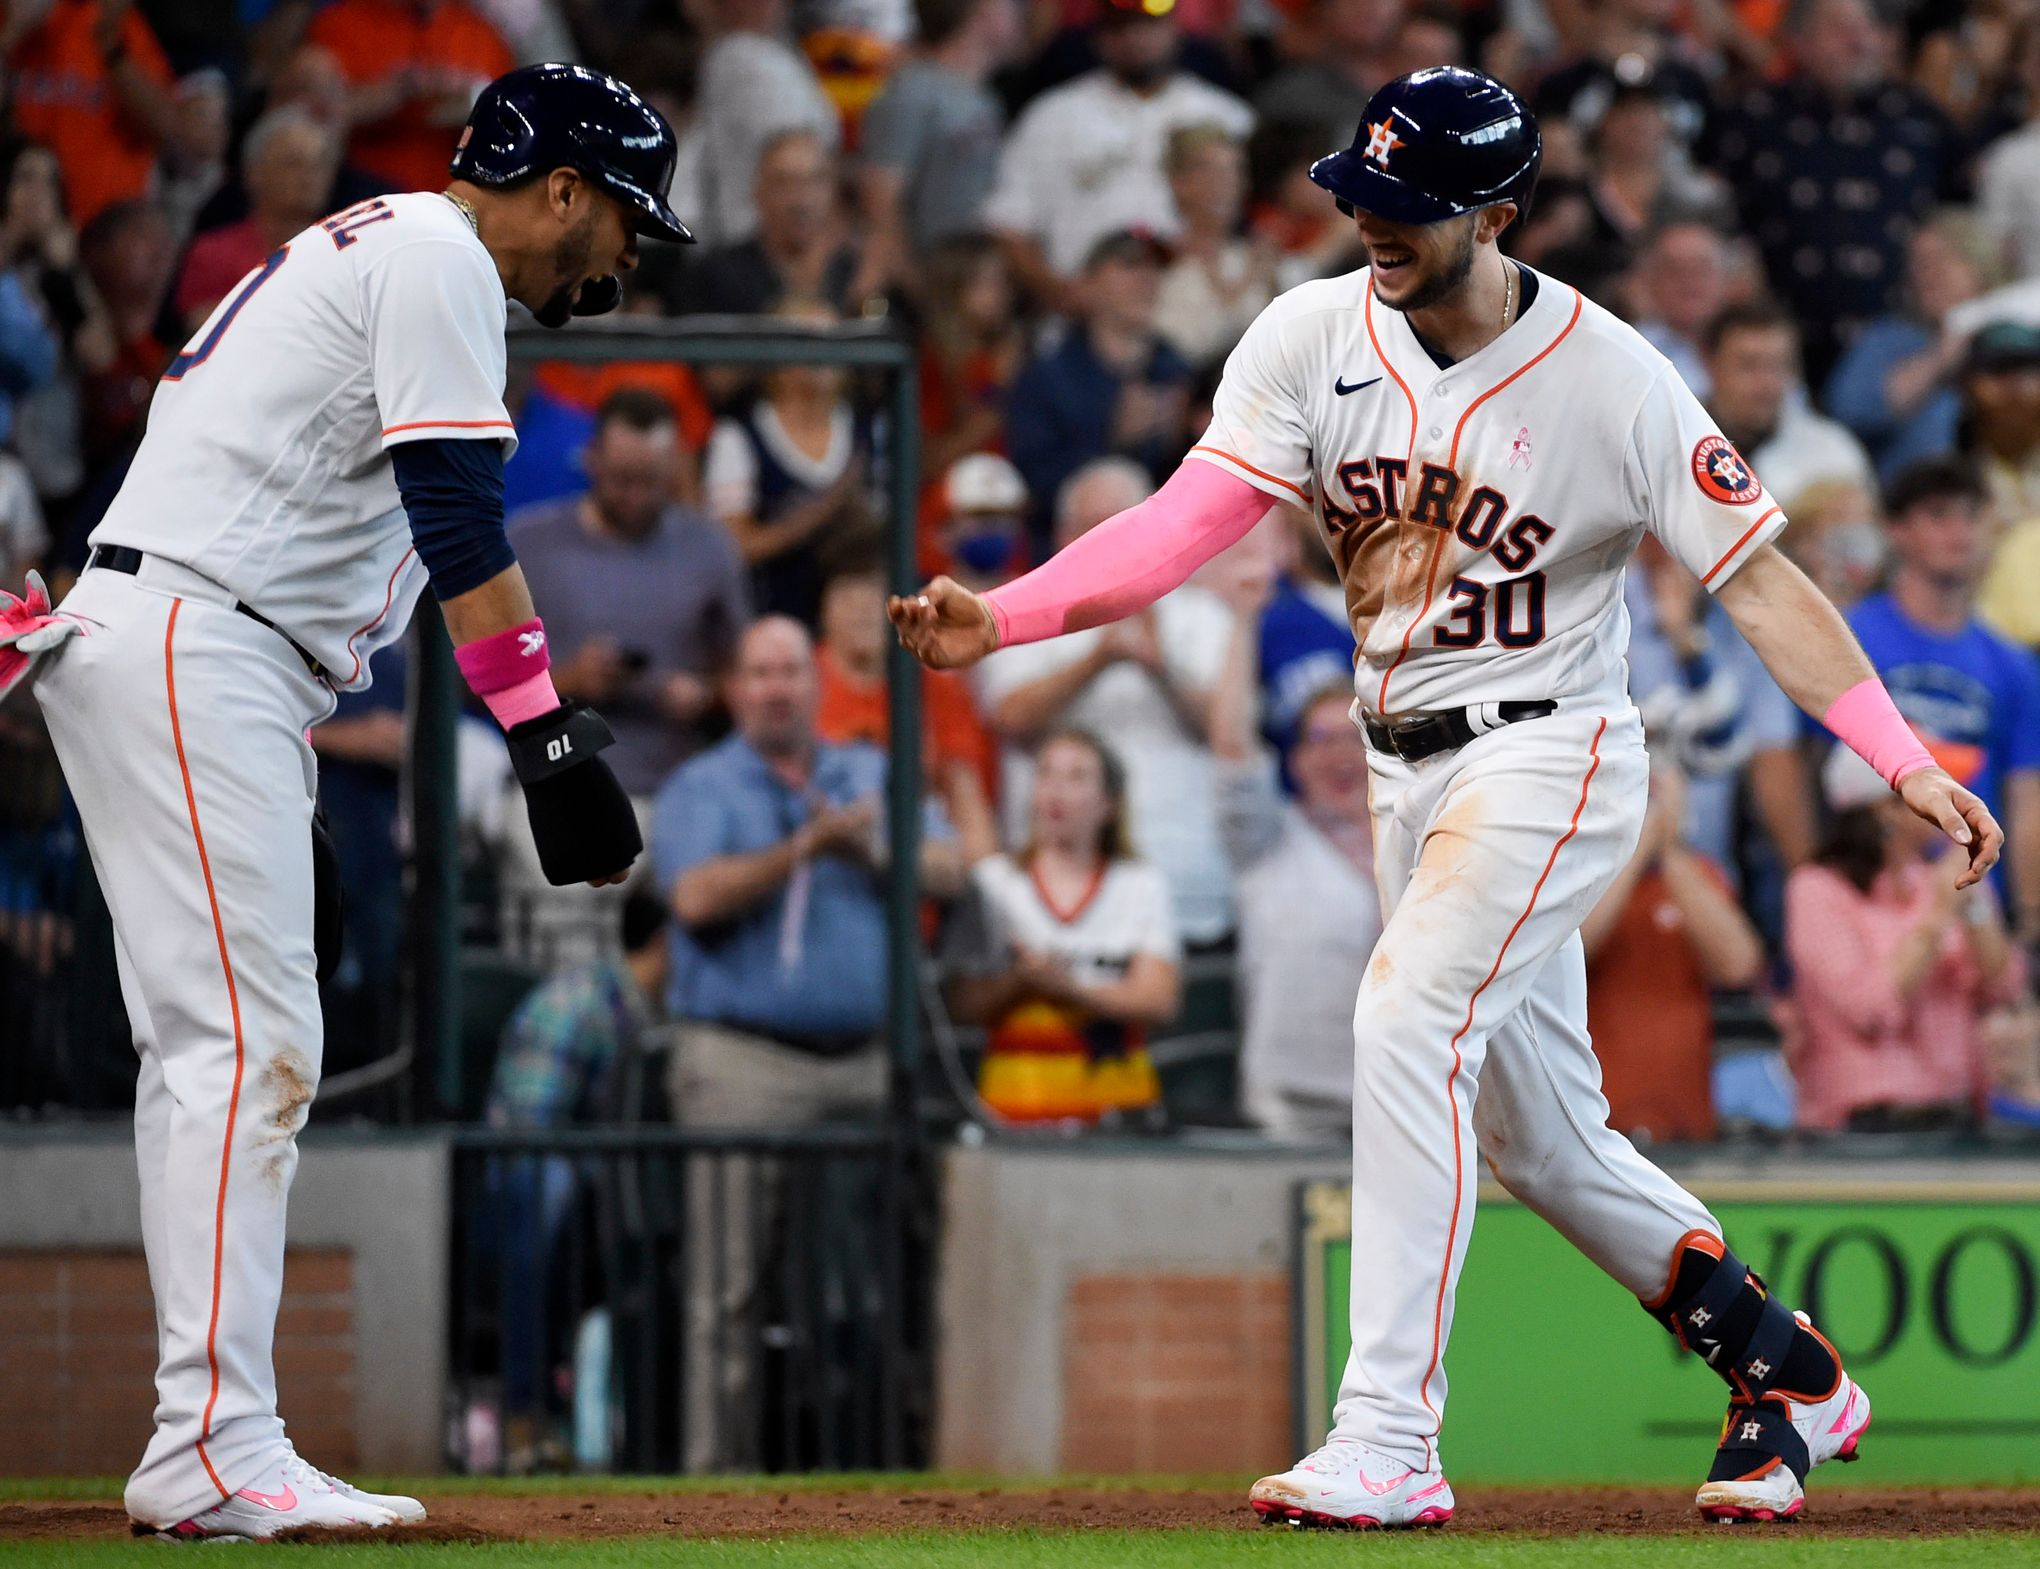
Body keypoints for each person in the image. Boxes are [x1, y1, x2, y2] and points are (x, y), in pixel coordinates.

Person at [889, 67, 2001, 1529]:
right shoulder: (1308, 331)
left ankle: (1388, 1437)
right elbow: (1189, 519)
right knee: (1538, 1140)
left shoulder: (1612, 376)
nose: (1374, 225)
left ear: (1499, 212)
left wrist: (1897, 757)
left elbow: (1761, 583)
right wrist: (1014, 616)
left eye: (1408, 208)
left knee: (1407, 1014)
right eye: (1363, 196)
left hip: (1553, 750)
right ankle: (1785, 1368)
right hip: (1403, 766)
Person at [16, 64, 693, 1540]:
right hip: (203, 640)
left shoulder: (388, 242)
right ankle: (211, 1441)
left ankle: (210, 1433)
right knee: (243, 1049)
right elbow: (459, 522)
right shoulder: (444, 255)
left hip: (204, 645)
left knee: (217, 1049)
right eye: (623, 219)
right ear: (562, 189)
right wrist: (549, 745)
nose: (624, 256)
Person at [650, 616, 962, 1469]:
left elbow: (950, 868)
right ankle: (717, 1485)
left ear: (817, 683)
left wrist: (865, 843)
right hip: (740, 1063)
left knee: (873, 1284)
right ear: (735, 689)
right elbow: (696, 899)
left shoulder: (869, 772)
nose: (777, 687)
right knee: (730, 1288)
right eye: (759, 672)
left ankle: (878, 1473)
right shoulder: (702, 786)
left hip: (866, 1063)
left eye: (791, 670)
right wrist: (802, 847)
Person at [501, 386, 752, 969]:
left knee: (718, 887)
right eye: (620, 479)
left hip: (678, 782)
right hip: (559, 771)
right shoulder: (530, 543)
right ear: (590, 461)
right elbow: (465, 680)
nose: (636, 497)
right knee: (561, 908)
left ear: (676, 471)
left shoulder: (710, 548)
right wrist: (566, 679)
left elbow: (746, 669)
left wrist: (708, 696)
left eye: (651, 481)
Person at [972, 458, 1235, 946]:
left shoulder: (1203, 615)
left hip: (1189, 883)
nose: (1115, 543)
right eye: (1097, 527)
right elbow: (1008, 716)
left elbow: (1230, 728)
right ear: (1064, 533)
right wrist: (1099, 658)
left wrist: (1160, 668)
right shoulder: (1017, 608)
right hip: (1050, 900)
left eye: (1128, 524)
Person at [484, 892, 670, 1465]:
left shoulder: (655, 1007)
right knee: (548, 1187)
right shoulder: (580, 1000)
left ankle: (650, 1431)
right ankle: (525, 1413)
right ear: (665, 946)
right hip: (529, 1178)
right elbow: (528, 1130)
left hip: (607, 1184)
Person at [1210, 552, 1377, 1136]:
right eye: (1320, 739)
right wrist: (1243, 622)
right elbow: (1232, 750)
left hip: (1399, 1104)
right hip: (1287, 1108)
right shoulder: (1268, 838)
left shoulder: (1422, 843)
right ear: (1295, 759)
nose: (1338, 754)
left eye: (1353, 737)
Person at [1844, 457, 2040, 945]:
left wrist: (2029, 923)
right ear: (1896, 530)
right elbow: (1808, 770)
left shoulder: (2012, 664)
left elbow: (2026, 798)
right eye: (1938, 515)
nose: (1960, 532)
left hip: (1974, 909)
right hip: (1863, 896)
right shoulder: (1848, 638)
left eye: (1971, 515)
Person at [1710, 0, 1953, 385]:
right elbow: (1722, 220)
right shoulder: (1753, 118)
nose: (1860, 42)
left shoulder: (1919, 119)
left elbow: (1955, 221)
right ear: (1799, 40)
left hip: (1898, 351)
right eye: (1840, 29)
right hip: (1781, 352)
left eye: (1868, 27)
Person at [946, 727, 1181, 1124]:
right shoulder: (995, 883)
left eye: (1076, 777)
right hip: (1014, 1113)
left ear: (1109, 804)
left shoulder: (1140, 884)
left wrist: (1068, 988)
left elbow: (1158, 1000)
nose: (1057, 790)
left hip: (1118, 1117)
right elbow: (963, 1003)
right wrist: (1019, 982)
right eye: (1047, 774)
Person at [1786, 746, 2026, 1133]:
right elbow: (1869, 1008)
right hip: (1862, 1134)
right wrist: (1939, 914)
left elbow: (2002, 987)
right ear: (1888, 808)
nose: (1952, 802)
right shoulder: (1817, 889)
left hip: (1958, 1119)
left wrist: (1976, 908)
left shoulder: (1934, 876)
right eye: (1935, 790)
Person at [983, 0, 1251, 310]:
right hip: (1082, 313)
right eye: (1120, 26)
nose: (1136, 37)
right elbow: (1009, 224)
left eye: (1149, 23)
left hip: (1198, 308)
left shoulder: (1226, 115)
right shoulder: (1053, 115)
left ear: (1175, 27)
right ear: (1099, 37)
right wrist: (1057, 291)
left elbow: (1260, 221)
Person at [1580, 764, 1764, 1145]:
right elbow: (1578, 947)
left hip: (1688, 1122)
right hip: (1599, 1119)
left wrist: (1670, 847)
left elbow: (1739, 966)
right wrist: (1639, 844)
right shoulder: (1580, 875)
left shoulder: (1694, 875)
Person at [1004, 230, 1196, 554]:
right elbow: (1031, 488)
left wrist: (1187, 438)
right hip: (1070, 557)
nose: (1146, 280)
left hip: (1168, 557)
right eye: (1129, 266)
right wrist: (1114, 439)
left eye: (1155, 269)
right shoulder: (1047, 377)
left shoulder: (1178, 371)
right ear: (1088, 285)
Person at [701, 299, 877, 625]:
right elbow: (732, 547)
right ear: (776, 353)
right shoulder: (739, 436)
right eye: (807, 341)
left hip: (856, 625)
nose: (821, 357)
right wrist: (821, 510)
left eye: (831, 341)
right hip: (772, 621)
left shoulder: (865, 429)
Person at [816, 561, 997, 855]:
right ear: (825, 611)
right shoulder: (800, 677)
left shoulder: (933, 685)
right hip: (827, 849)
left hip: (920, 850)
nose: (862, 609)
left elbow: (966, 796)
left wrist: (982, 872)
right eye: (848, 596)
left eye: (876, 596)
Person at [854, 0, 1021, 300]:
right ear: (981, 12)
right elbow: (879, 201)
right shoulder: (913, 90)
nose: (1019, 12)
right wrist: (920, 291)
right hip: (930, 293)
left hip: (971, 291)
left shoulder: (984, 96)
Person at [1821, 211, 1999, 488]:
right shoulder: (1887, 338)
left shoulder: (2013, 330)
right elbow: (1848, 412)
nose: (1928, 274)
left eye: (1942, 259)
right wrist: (1939, 357)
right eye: (1919, 264)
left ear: (1978, 264)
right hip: (1911, 502)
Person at [305, 0, 515, 196]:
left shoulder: (479, 32)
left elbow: (510, 128)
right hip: (363, 196)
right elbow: (303, 122)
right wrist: (393, 92)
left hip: (454, 200)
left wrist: (472, 100)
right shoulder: (339, 25)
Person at [5, 0, 178, 227]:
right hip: (14, 225)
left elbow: (168, 127)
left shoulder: (113, 18)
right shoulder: (12, 15)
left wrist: (109, 42)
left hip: (104, 226)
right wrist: (12, 32)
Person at [174, 107, 343, 331]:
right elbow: (200, 335)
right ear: (254, 173)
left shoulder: (347, 257)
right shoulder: (212, 254)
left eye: (318, 165)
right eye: (293, 163)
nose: (309, 176)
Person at [689, 0, 840, 248]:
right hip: (759, 238)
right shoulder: (743, 56)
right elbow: (796, 155)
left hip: (758, 236)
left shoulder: (770, 50)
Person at [1703, 298, 1874, 511]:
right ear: (1710, 365)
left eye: (1777, 365)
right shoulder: (1673, 440)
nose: (1766, 383)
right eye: (1749, 365)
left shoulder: (1833, 449)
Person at [668, 130, 860, 318]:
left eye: (815, 180)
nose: (801, 200)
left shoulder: (858, 275)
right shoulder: (714, 278)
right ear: (758, 193)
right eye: (783, 183)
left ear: (834, 191)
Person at [1154, 124, 1276, 372]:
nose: (1226, 182)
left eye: (1235, 170)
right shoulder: (1157, 260)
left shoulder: (1262, 257)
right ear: (1179, 182)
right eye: (1210, 171)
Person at [1623, 220, 1731, 400]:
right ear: (1651, 282)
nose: (1689, 281)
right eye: (1675, 270)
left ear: (1725, 280)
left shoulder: (1755, 343)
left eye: (1701, 269)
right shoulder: (1633, 350)